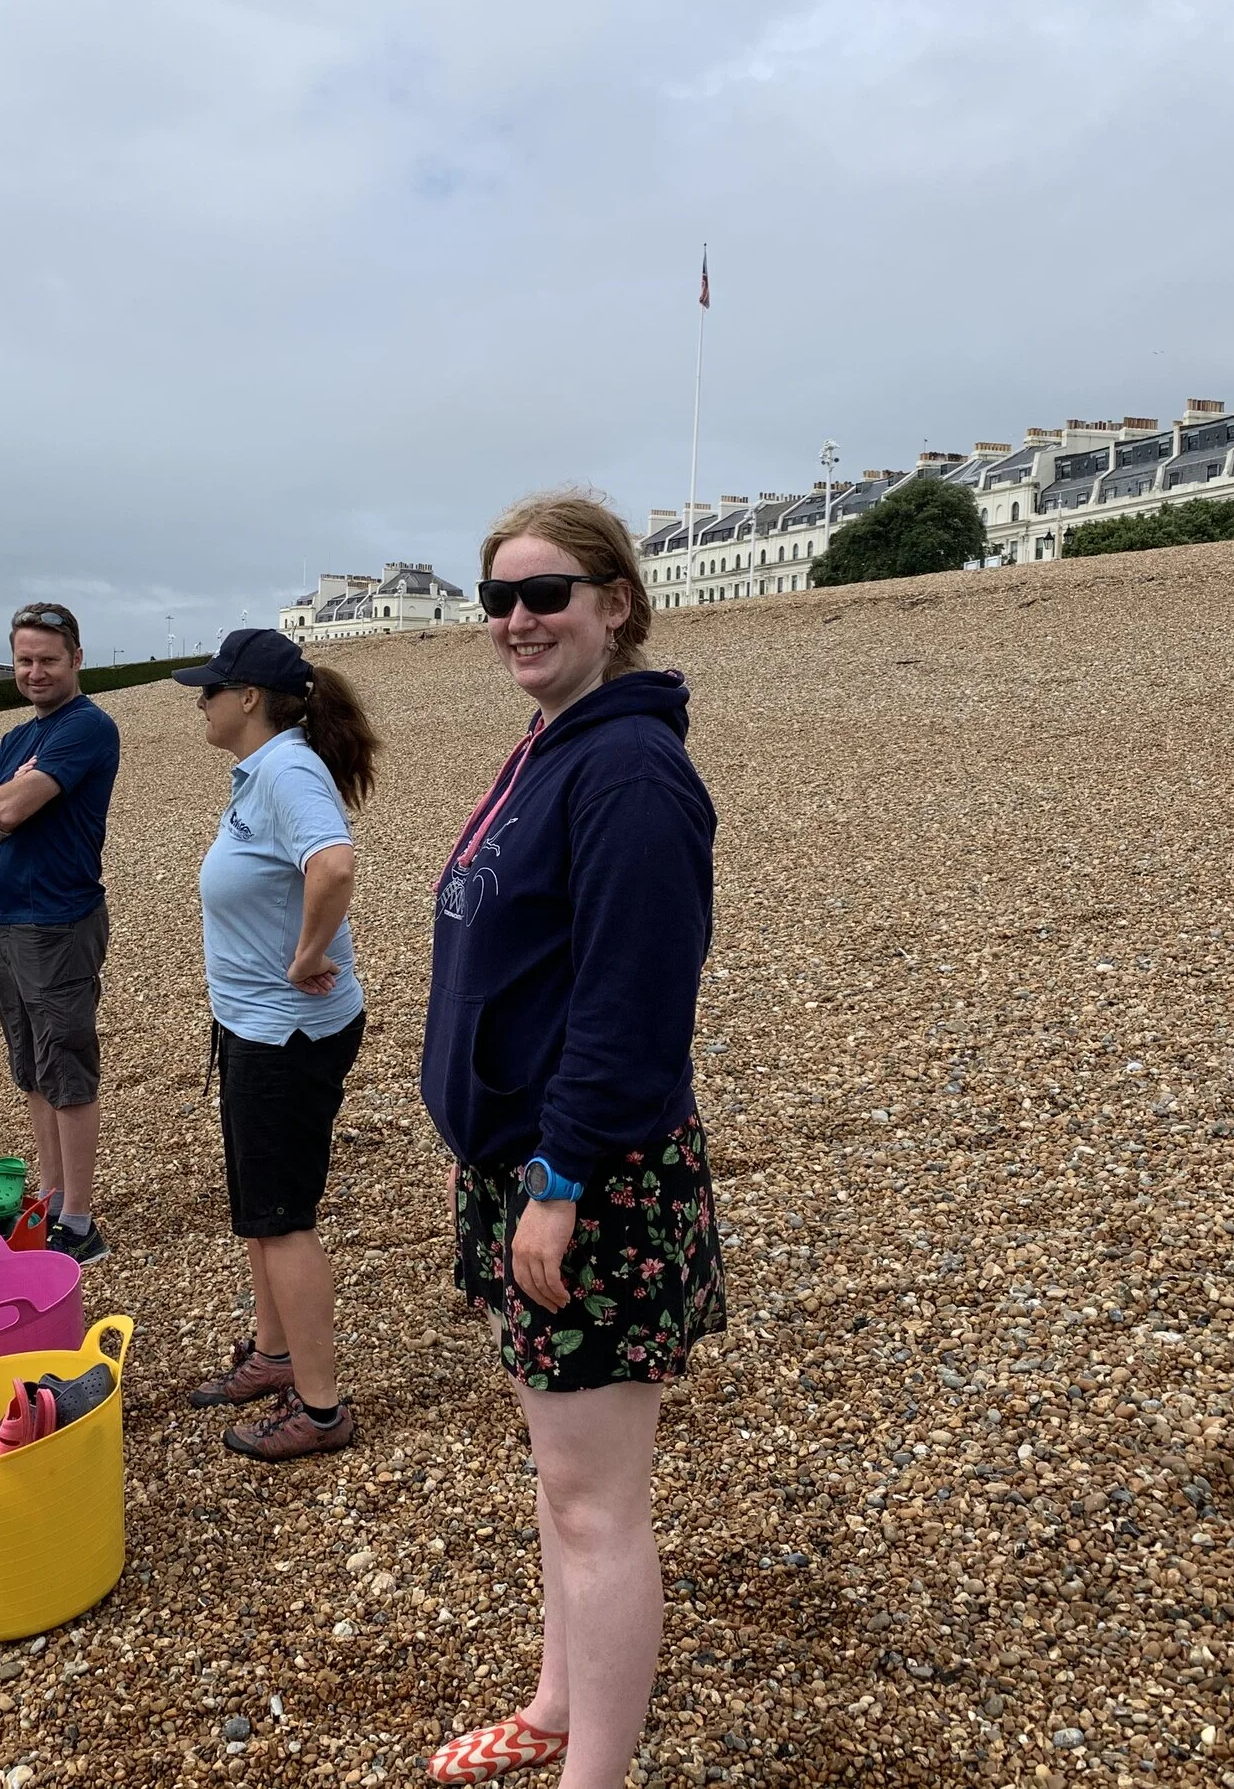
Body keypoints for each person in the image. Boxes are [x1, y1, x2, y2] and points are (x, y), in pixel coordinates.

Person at [418, 493, 723, 1789]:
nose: (518, 619)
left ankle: (591, 1771)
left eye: (546, 593)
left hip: (589, 1181)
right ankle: (552, 1707)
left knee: (598, 1504)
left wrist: (556, 1179)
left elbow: (631, 1002)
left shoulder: (631, 768)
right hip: (527, 1166)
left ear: (615, 604)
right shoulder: (555, 743)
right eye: (499, 597)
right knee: (560, 1481)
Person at [173, 628, 378, 1460]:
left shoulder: (288, 769)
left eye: (211, 689)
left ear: (249, 697)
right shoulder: (263, 769)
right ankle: (272, 1353)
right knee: (259, 1212)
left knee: (284, 1220)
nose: (202, 701)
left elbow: (334, 864)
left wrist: (305, 954)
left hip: (286, 1033)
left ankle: (321, 1409)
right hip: (256, 1026)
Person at [0, 603, 120, 1263]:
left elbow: (7, 812)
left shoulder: (87, 727)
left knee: (67, 1065)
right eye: (24, 660)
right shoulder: (15, 739)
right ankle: (51, 1197)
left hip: (59, 921)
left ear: (76, 659)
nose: (35, 672)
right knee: (31, 1065)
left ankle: (79, 1223)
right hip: (9, 919)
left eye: (48, 659)